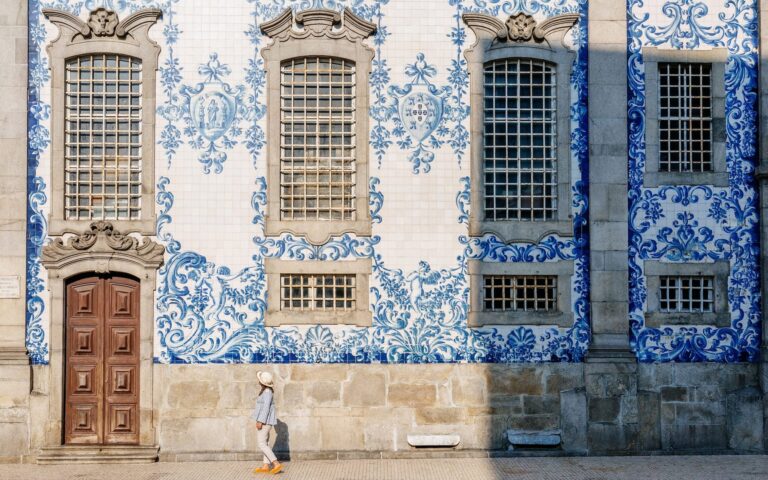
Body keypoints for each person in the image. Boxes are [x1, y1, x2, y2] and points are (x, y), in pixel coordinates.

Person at [252, 371, 282, 474]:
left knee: (261, 444)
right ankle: (265, 466)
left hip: (265, 422)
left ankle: (276, 463)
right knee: (265, 443)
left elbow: (265, 408)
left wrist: (260, 421)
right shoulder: (265, 391)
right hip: (265, 421)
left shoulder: (267, 392)